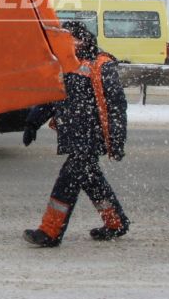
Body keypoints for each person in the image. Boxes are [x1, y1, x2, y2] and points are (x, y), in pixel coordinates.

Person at [22, 20, 130, 247]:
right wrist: (32, 123)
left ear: (83, 39)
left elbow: (116, 107)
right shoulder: (64, 64)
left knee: (67, 182)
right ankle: (116, 222)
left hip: (91, 139)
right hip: (74, 137)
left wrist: (117, 141)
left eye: (71, 39)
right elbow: (52, 96)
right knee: (93, 182)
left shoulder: (101, 65)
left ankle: (50, 232)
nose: (67, 44)